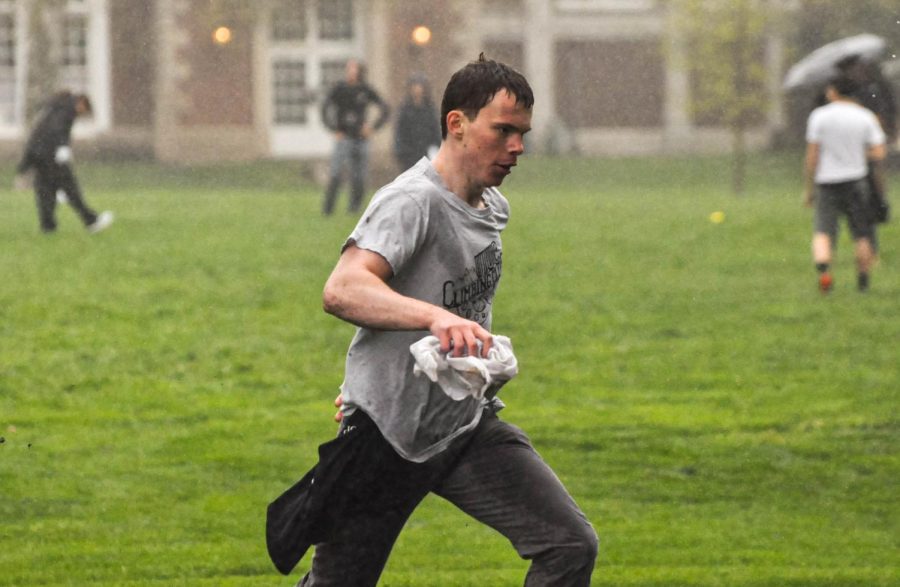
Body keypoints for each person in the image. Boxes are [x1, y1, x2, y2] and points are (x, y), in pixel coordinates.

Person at [298, 54, 598, 585]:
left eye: (522, 134)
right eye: (503, 130)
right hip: (386, 437)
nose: (518, 148)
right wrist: (434, 321)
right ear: (456, 125)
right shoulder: (411, 202)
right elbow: (342, 289)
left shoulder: (488, 206)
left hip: (462, 426)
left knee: (569, 543)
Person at [804, 74, 886, 292]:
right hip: (856, 181)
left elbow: (812, 156)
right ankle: (863, 280)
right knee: (861, 232)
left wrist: (809, 189)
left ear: (833, 91)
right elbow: (879, 152)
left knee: (823, 231)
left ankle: (824, 273)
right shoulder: (865, 117)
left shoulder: (819, 116)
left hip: (826, 182)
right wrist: (858, 153)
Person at [14, 91, 113, 234]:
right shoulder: (67, 109)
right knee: (70, 187)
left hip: (38, 153)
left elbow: (43, 129)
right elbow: (57, 128)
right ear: (82, 104)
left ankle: (48, 226)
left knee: (45, 190)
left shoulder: (57, 106)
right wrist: (62, 147)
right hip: (51, 154)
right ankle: (91, 220)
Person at [320, 59, 390, 215]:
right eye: (349, 69)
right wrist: (333, 128)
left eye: (354, 68)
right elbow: (325, 108)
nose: (351, 72)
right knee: (336, 172)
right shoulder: (340, 89)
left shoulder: (365, 90)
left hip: (361, 139)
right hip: (344, 136)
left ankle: (354, 208)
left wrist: (372, 127)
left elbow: (384, 108)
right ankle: (328, 209)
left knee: (359, 176)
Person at [392, 73, 441, 172]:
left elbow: (435, 130)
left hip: (425, 151)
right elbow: (399, 130)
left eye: (420, 87)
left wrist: (438, 147)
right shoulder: (405, 109)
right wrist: (400, 149)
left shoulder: (430, 109)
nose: (417, 90)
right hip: (408, 152)